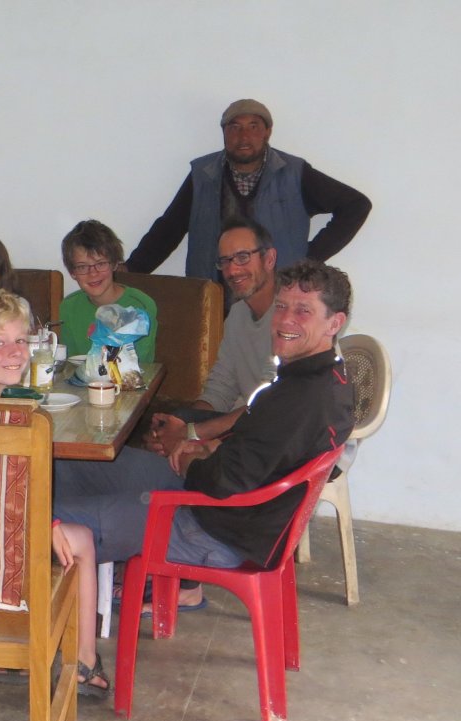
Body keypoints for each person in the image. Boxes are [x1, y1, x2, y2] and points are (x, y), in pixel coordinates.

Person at [52, 259, 355, 683]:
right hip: (223, 506)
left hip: (212, 526)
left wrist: (189, 453)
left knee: (44, 522)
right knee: (68, 463)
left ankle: (40, 651)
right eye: (282, 306)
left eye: (303, 311)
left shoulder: (304, 399)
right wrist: (201, 445)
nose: (286, 319)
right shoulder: (316, 378)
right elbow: (254, 445)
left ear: (334, 322)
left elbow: (224, 482)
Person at [0, 288, 105, 696]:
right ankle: (83, 662)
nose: (16, 352)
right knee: (81, 540)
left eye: (20, 340)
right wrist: (47, 523)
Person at [125, 98, 372, 281]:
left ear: (267, 132)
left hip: (274, 298)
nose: (244, 136)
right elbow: (169, 228)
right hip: (213, 299)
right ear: (224, 133)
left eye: (253, 126)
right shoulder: (203, 175)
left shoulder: (294, 173)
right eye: (234, 127)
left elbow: (356, 205)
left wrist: (308, 261)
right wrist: (132, 270)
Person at [146, 217, 279, 455]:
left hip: (272, 433)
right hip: (245, 421)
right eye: (225, 261)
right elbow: (221, 386)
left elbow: (272, 403)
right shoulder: (237, 314)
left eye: (242, 257)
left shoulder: (291, 318)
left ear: (269, 259)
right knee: (163, 429)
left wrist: (192, 432)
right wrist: (181, 424)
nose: (232, 270)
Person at [59, 219, 158, 361]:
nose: (93, 273)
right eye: (82, 267)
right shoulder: (68, 307)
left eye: (101, 264)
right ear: (72, 272)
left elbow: (142, 363)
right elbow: (70, 362)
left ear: (115, 264)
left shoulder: (141, 305)